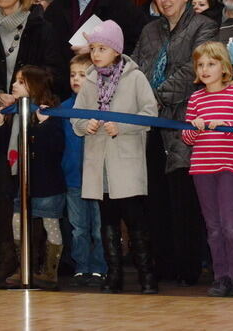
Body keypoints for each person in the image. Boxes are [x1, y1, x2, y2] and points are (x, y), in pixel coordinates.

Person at [132, 0, 218, 287]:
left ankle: (188, 267)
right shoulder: (149, 30)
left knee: (184, 199)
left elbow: (192, 70)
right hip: (151, 125)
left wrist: (152, 97)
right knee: (156, 199)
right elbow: (137, 67)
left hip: (186, 120)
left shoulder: (203, 26)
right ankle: (163, 264)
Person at [0, 0, 61, 282]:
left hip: (33, 119)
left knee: (36, 193)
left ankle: (40, 263)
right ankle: (9, 259)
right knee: (2, 193)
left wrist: (27, 91)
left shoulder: (40, 24)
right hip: (0, 122)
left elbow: (54, 69)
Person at [71, 20, 159, 294]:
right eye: (93, 48)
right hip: (100, 163)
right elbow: (76, 118)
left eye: (102, 48)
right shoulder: (90, 80)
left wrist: (122, 126)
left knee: (136, 220)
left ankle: (147, 276)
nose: (96, 54)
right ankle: (114, 275)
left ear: (116, 51)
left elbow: (149, 114)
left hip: (126, 160)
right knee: (107, 221)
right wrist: (88, 125)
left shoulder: (135, 77)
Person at [182, 41, 233, 298]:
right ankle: (221, 276)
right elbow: (187, 138)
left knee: (231, 223)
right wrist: (196, 127)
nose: (204, 69)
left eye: (211, 64)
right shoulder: (195, 98)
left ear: (224, 67)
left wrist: (227, 126)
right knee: (213, 226)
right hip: (202, 169)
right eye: (200, 65)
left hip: (229, 168)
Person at [0, 66, 65, 290]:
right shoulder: (16, 110)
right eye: (15, 81)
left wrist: (43, 124)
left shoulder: (50, 113)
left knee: (50, 224)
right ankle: (23, 266)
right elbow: (4, 145)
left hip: (48, 181)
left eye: (20, 82)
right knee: (17, 221)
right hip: (25, 181)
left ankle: (50, 271)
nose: (14, 85)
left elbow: (55, 147)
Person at [44, 0, 147, 89]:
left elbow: (138, 50)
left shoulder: (123, 8)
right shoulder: (55, 9)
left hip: (107, 91)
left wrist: (98, 50)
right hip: (61, 92)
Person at [60, 53, 107, 287]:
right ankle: (82, 266)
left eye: (83, 74)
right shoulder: (63, 108)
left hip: (97, 178)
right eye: (72, 75)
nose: (76, 79)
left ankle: (100, 266)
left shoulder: (102, 105)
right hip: (73, 178)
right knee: (79, 228)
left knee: (98, 227)